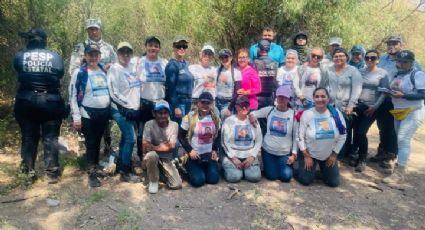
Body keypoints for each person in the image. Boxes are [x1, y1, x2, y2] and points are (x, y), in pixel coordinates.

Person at [14, 28, 66, 183]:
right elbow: (60, 73)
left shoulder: (20, 55)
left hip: (26, 101)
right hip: (50, 101)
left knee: (29, 137)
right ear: (45, 40)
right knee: (50, 137)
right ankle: (52, 174)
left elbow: (18, 70)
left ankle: (28, 173)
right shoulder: (55, 56)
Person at [68, 18, 117, 157]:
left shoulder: (108, 48)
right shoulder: (80, 47)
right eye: (90, 29)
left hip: (104, 90)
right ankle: (85, 153)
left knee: (106, 124)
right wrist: (87, 71)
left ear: (100, 29)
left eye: (95, 28)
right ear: (87, 30)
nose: (93, 32)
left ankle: (108, 148)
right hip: (87, 90)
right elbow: (73, 69)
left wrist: (108, 68)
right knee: (85, 126)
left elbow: (116, 66)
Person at [373, 36, 421, 169]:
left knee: (396, 132)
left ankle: (391, 156)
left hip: (404, 103)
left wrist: (404, 94)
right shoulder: (382, 58)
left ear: (400, 45)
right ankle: (382, 151)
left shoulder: (412, 62)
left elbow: (419, 84)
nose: (391, 46)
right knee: (383, 126)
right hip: (385, 97)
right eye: (389, 43)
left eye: (395, 43)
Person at [69, 43, 110, 187]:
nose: (93, 57)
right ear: (85, 56)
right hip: (87, 114)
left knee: (97, 142)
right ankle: (91, 175)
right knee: (91, 144)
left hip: (103, 113)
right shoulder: (79, 73)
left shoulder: (102, 70)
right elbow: (73, 95)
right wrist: (76, 117)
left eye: (95, 55)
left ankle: (95, 167)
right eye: (90, 55)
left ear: (99, 56)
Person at [382, 50, 425, 184]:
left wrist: (404, 96)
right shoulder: (397, 74)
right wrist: (389, 93)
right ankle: (399, 167)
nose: (401, 64)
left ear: (411, 63)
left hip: (413, 111)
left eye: (404, 62)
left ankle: (400, 173)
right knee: (399, 139)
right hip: (398, 110)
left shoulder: (417, 74)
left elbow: (422, 94)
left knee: (403, 139)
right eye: (399, 61)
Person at [296, 87, 347, 187]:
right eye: (317, 96)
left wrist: (334, 155)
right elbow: (299, 136)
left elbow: (343, 135)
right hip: (309, 153)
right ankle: (304, 168)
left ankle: (320, 170)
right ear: (313, 98)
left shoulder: (336, 114)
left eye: (323, 96)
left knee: (334, 183)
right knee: (305, 180)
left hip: (328, 155)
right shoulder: (307, 114)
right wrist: (306, 156)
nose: (320, 99)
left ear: (328, 98)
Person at [249, 86, 297, 182]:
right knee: (271, 176)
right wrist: (252, 116)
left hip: (285, 153)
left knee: (286, 176)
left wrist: (294, 154)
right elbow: (254, 113)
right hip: (268, 151)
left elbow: (296, 136)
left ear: (289, 99)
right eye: (280, 96)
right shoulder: (270, 110)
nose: (282, 99)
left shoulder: (293, 114)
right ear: (276, 97)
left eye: (284, 97)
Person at [107, 42, 140, 182]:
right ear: (117, 54)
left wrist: (135, 106)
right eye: (122, 52)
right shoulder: (114, 69)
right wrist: (126, 106)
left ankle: (121, 164)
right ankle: (125, 172)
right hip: (119, 109)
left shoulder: (133, 67)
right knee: (131, 138)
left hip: (132, 109)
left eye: (128, 52)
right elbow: (113, 93)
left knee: (124, 138)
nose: (125, 55)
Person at [321, 48, 362, 161]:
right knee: (330, 130)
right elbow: (322, 86)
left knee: (343, 130)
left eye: (341, 56)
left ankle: (341, 156)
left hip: (345, 107)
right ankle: (328, 153)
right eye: (336, 56)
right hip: (330, 106)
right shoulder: (328, 70)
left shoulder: (353, 71)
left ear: (346, 57)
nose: (338, 58)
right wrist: (322, 101)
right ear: (333, 58)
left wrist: (351, 105)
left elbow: (357, 89)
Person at [352, 50, 389, 172]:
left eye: (372, 58)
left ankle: (362, 159)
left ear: (378, 60)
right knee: (356, 131)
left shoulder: (383, 73)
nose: (369, 60)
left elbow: (384, 93)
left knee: (362, 132)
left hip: (372, 108)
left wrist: (375, 107)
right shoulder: (360, 71)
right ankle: (355, 155)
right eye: (367, 57)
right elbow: (355, 87)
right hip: (359, 105)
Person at [135, 36, 168, 158]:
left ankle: (156, 158)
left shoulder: (164, 62)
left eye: (156, 46)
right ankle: (142, 158)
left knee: (159, 132)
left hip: (160, 103)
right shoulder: (139, 61)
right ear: (146, 47)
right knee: (142, 133)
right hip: (144, 102)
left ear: (159, 48)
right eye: (150, 45)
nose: (153, 48)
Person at [178, 92, 220, 187]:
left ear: (212, 104)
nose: (205, 105)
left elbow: (218, 135)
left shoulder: (215, 118)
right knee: (198, 181)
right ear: (198, 103)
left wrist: (214, 150)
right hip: (194, 156)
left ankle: (203, 169)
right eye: (203, 102)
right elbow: (180, 136)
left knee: (213, 179)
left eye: (208, 103)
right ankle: (188, 168)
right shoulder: (189, 117)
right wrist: (190, 150)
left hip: (208, 155)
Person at [143, 100, 182, 193]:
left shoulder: (174, 125)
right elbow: (146, 146)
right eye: (160, 113)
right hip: (152, 157)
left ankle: (158, 172)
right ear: (154, 113)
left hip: (166, 158)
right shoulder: (149, 124)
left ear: (169, 114)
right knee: (152, 155)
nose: (162, 116)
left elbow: (171, 146)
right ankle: (153, 181)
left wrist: (155, 147)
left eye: (165, 113)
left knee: (176, 184)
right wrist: (163, 146)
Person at [221, 95, 262, 183]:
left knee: (255, 177)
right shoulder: (229, 121)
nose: (244, 107)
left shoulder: (253, 121)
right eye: (241, 105)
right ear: (236, 107)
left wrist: (252, 156)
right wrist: (233, 158)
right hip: (233, 154)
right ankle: (228, 167)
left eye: (246, 105)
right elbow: (224, 142)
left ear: (249, 107)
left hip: (248, 155)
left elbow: (259, 140)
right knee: (235, 177)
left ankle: (245, 169)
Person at [165, 35, 194, 125]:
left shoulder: (186, 64)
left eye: (184, 46)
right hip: (178, 103)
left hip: (188, 102)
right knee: (178, 129)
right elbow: (171, 88)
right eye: (179, 46)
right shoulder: (172, 65)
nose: (182, 48)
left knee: (185, 130)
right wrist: (176, 106)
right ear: (174, 48)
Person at [252, 39, 279, 135]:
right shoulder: (275, 64)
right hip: (270, 98)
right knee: (267, 122)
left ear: (259, 49)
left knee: (255, 123)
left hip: (257, 98)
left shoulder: (254, 63)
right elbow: (276, 83)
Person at [216, 48, 242, 118]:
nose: (224, 59)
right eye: (222, 57)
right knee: (216, 125)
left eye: (226, 57)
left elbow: (237, 92)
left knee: (226, 126)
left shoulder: (237, 72)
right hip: (216, 102)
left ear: (230, 58)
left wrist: (230, 108)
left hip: (228, 103)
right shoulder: (217, 70)